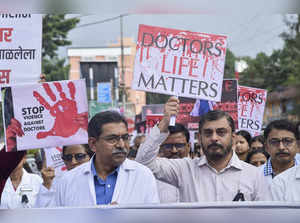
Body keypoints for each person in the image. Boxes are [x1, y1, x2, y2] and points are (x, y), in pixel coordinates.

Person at [136, 97, 270, 202]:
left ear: (233, 137)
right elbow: (143, 162)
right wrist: (164, 122)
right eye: (208, 133)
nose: (214, 138)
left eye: (221, 132)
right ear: (199, 138)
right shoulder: (184, 170)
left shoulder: (254, 175)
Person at [47, 111, 159, 207]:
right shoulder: (67, 181)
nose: (121, 145)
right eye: (112, 139)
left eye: (125, 138)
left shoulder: (143, 176)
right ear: (93, 144)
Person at [156, 123, 190, 203]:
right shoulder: (153, 176)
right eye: (168, 146)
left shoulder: (199, 171)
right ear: (160, 148)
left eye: (179, 145)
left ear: (188, 146)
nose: (174, 150)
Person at [260, 119, 298, 184]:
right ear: (266, 147)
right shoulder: (255, 175)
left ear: (297, 144)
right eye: (274, 142)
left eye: (287, 141)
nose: (281, 147)